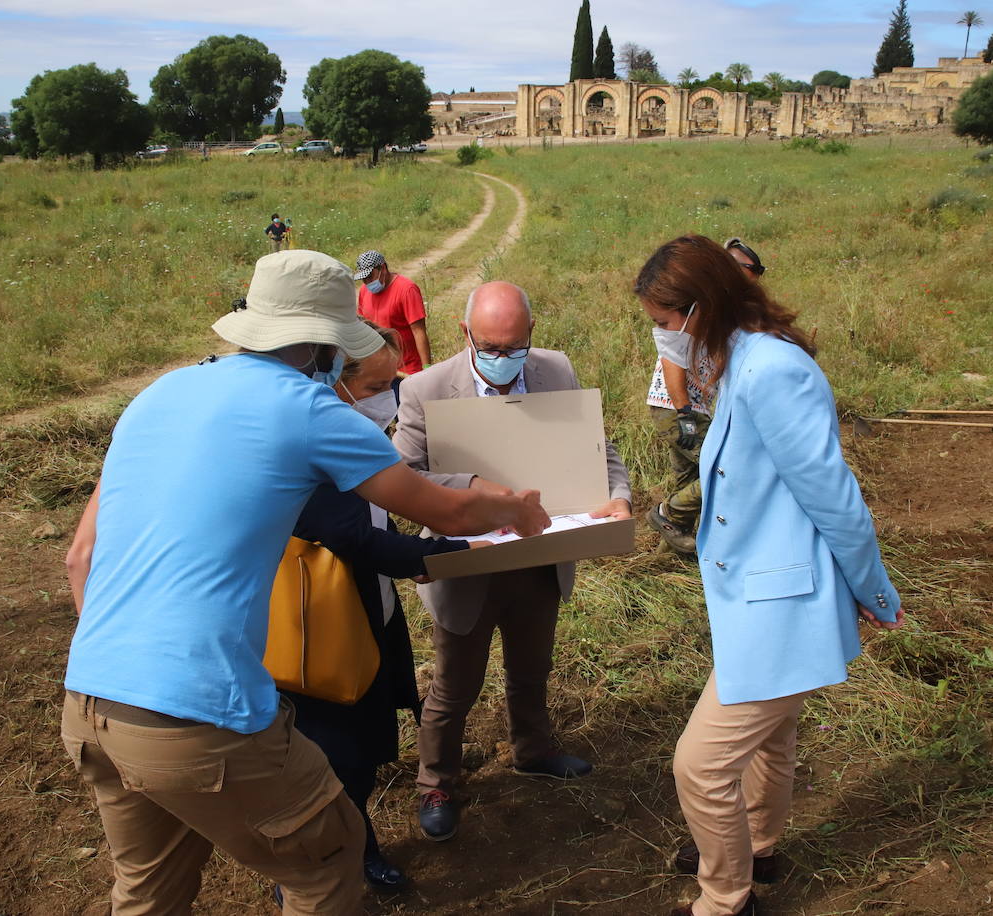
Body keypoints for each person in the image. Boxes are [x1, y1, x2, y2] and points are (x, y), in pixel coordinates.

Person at [60, 250, 549, 916]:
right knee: (328, 861)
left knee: (149, 891)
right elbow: (445, 511)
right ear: (325, 347)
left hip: (90, 700)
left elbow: (79, 556)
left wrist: (124, 663)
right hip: (201, 713)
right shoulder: (307, 410)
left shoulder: (160, 393)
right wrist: (517, 510)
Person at [632, 236, 904, 916]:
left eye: (666, 324)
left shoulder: (770, 371)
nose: (663, 338)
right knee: (769, 741)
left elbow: (832, 496)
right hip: (758, 592)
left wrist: (871, 590)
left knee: (700, 764)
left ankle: (725, 899)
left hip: (782, 601)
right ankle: (759, 845)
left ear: (701, 308)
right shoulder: (740, 360)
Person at [392, 280, 633, 842]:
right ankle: (437, 780)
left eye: (514, 346)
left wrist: (615, 492)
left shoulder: (555, 371)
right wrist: (480, 493)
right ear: (465, 333)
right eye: (490, 348)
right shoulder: (425, 389)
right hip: (467, 565)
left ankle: (532, 747)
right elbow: (402, 479)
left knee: (532, 666)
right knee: (454, 683)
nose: (503, 359)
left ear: (532, 333)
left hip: (541, 555)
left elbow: (599, 445)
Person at [283, 322, 481, 894]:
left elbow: (379, 515)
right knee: (334, 754)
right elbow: (364, 540)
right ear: (335, 379)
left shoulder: (349, 430)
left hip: (370, 611)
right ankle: (337, 863)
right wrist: (458, 546)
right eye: (377, 383)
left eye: (393, 379)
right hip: (318, 627)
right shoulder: (311, 436)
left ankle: (352, 841)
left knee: (363, 744)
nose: (388, 395)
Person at [645, 238, 766, 557]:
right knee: (725, 468)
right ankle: (668, 515)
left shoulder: (727, 311)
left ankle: (668, 555)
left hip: (694, 407)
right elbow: (671, 363)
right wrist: (684, 414)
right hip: (675, 406)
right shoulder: (690, 305)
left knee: (689, 478)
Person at [353, 250, 431, 383]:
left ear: (382, 268)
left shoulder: (406, 290)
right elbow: (364, 327)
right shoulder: (364, 292)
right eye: (363, 279)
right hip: (380, 369)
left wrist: (427, 369)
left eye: (370, 277)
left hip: (408, 371)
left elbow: (419, 332)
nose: (366, 282)